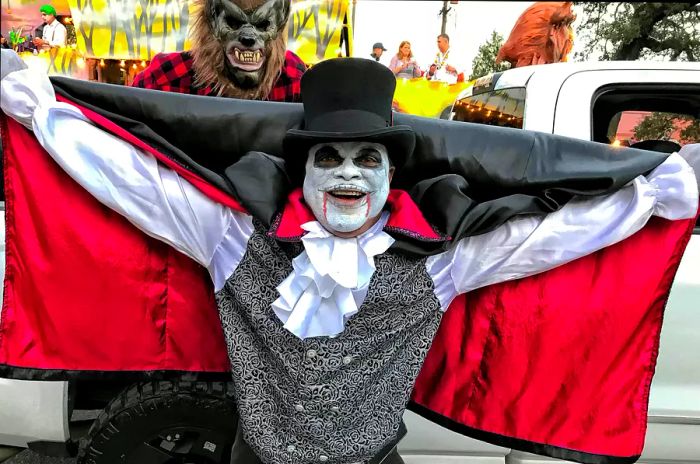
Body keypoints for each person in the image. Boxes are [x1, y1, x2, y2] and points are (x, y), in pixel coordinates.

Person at [2, 55, 699, 464]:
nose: (347, 177)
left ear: (391, 177)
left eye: (368, 160)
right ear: (302, 171)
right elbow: (133, 181)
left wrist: (660, 191)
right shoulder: (233, 238)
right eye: (328, 158)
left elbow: (550, 239)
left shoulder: (436, 261)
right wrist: (39, 112)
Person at [133, 0, 306, 101]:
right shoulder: (165, 77)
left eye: (262, 25)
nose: (248, 38)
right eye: (233, 22)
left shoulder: (294, 78)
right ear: (211, 22)